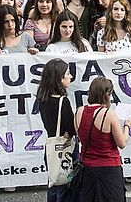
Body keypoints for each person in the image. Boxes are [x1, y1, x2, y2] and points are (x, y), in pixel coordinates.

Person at [74, 77, 130, 202]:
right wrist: (127, 126)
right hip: (109, 168)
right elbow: (122, 143)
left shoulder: (79, 111)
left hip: (87, 168)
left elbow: (80, 135)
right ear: (106, 94)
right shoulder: (108, 114)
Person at [36, 58, 76, 202]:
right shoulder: (62, 101)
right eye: (67, 73)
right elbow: (71, 128)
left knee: (53, 182)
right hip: (65, 149)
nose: (70, 76)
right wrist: (71, 132)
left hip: (51, 148)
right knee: (66, 184)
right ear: (60, 77)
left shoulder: (42, 99)